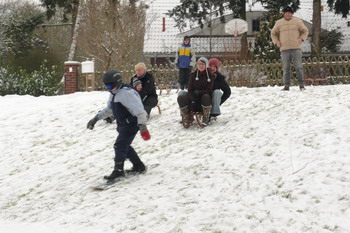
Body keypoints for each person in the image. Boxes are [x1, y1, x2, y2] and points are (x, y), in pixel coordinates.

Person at [86, 70, 150, 183]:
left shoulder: (127, 93)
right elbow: (109, 109)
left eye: (110, 85)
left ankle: (118, 170)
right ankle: (138, 166)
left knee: (119, 145)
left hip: (132, 124)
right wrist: (96, 118)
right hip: (123, 124)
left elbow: (140, 111)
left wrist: (142, 127)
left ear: (117, 82)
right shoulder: (114, 94)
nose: (108, 88)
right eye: (106, 85)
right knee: (125, 146)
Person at [271, 6, 308, 91]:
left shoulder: (298, 21)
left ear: (292, 13)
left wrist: (301, 39)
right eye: (286, 12)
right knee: (286, 68)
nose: (287, 14)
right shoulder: (279, 23)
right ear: (284, 14)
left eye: (289, 13)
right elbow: (273, 34)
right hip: (284, 48)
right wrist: (276, 42)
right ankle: (286, 86)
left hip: (296, 48)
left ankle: (301, 85)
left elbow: (305, 31)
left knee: (298, 67)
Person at [177, 57, 214, 127]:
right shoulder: (193, 75)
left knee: (206, 96)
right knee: (181, 98)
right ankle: (188, 117)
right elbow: (190, 89)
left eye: (203, 64)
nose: (201, 66)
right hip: (193, 98)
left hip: (204, 99)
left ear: (206, 65)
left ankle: (205, 118)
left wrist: (198, 92)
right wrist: (192, 99)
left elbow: (209, 90)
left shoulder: (210, 76)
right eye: (199, 64)